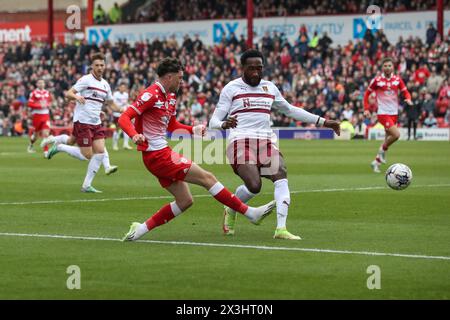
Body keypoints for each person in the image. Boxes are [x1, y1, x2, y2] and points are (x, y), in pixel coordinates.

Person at [118, 57, 276, 242]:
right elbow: (123, 118)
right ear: (168, 77)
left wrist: (192, 129)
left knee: (185, 201)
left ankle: (139, 230)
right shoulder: (151, 94)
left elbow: (171, 125)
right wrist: (134, 135)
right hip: (157, 155)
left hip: (160, 154)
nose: (181, 81)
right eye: (180, 77)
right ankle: (250, 213)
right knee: (207, 178)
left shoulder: (170, 97)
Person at [208, 49, 341, 240]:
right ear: (242, 68)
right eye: (251, 68)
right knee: (254, 185)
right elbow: (213, 121)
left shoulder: (269, 88)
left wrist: (324, 122)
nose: (255, 72)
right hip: (239, 141)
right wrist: (223, 124)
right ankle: (231, 207)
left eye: (259, 68)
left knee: (281, 173)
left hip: (265, 141)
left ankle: (281, 228)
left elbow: (290, 110)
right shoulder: (231, 88)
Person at [45, 53, 122, 193]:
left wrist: (124, 110)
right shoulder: (86, 80)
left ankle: (86, 186)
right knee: (87, 155)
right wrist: (76, 96)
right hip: (83, 121)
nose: (100, 68)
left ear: (105, 66)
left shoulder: (105, 84)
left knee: (99, 152)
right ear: (92, 66)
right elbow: (68, 94)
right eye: (97, 65)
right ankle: (60, 147)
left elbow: (111, 104)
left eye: (102, 65)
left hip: (96, 122)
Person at [364, 57, 413, 173]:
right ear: (382, 67)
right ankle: (382, 149)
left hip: (394, 114)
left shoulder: (397, 80)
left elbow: (405, 91)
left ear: (393, 67)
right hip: (383, 113)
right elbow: (366, 94)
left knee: (387, 139)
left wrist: (408, 98)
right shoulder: (377, 81)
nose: (387, 68)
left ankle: (376, 163)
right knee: (396, 135)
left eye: (389, 66)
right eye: (385, 66)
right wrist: (366, 109)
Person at [27, 79, 52, 157]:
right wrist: (39, 106)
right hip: (37, 115)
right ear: (37, 84)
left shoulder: (47, 93)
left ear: (44, 84)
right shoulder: (33, 93)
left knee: (46, 133)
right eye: (39, 83)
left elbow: (50, 101)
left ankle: (46, 151)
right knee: (36, 135)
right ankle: (31, 144)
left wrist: (49, 105)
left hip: (45, 115)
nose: (41, 84)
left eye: (42, 83)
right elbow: (30, 104)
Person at [111, 83, 132, 150]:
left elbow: (126, 103)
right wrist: (116, 110)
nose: (123, 88)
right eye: (121, 87)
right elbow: (113, 103)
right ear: (119, 87)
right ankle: (114, 145)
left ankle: (125, 144)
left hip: (124, 113)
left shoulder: (126, 94)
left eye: (124, 87)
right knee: (117, 129)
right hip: (117, 114)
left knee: (126, 128)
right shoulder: (115, 94)